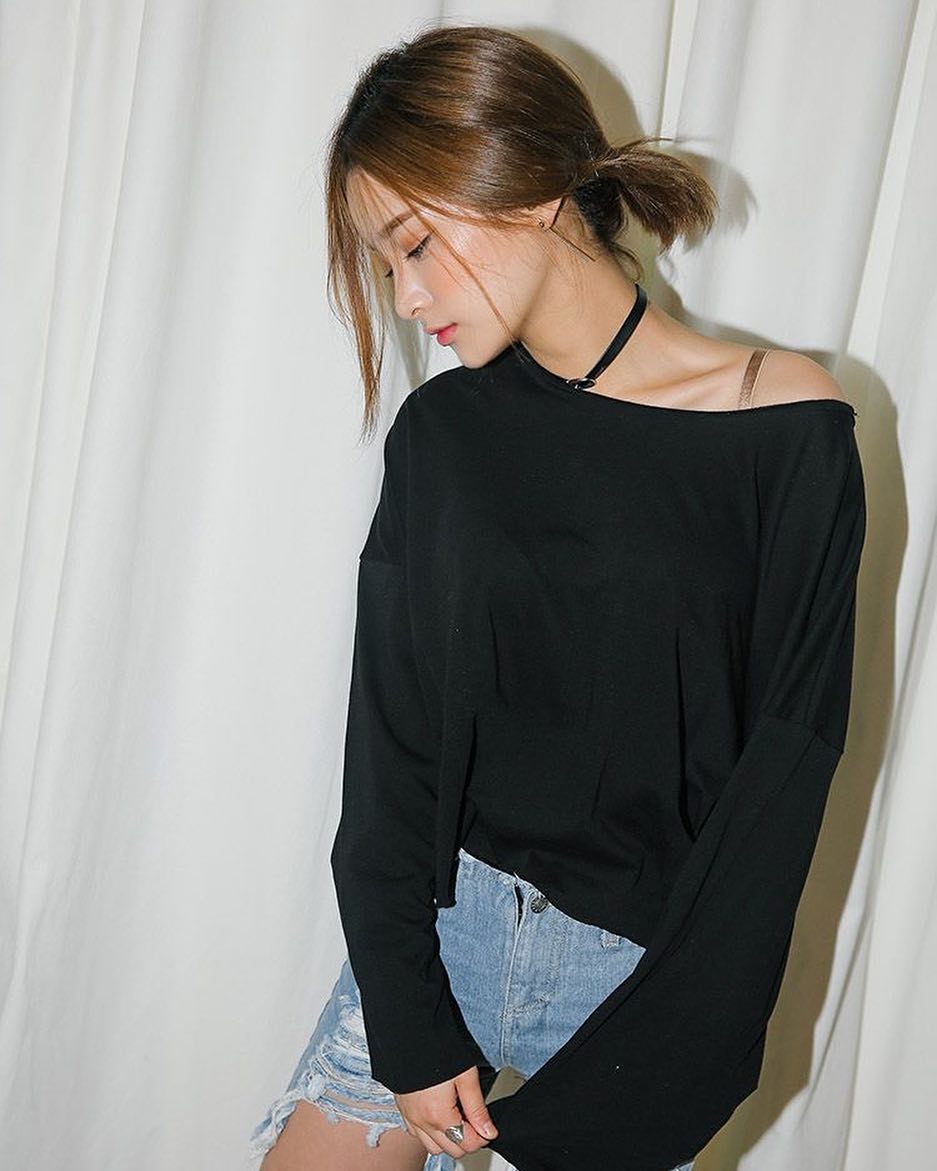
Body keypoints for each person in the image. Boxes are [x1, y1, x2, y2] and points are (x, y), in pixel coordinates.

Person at [249, 23, 866, 1171]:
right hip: (446, 933)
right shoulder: (443, 435)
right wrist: (405, 1017)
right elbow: (389, 752)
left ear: (528, 190)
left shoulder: (782, 423)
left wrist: (675, 1063)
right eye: (385, 266)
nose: (406, 296)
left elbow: (786, 768)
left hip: (640, 982)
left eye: (415, 246)